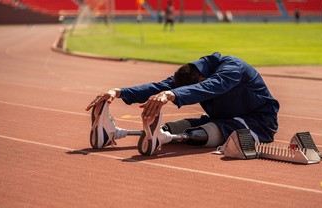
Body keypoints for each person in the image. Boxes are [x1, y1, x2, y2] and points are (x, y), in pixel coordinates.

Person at [86, 52, 280, 156]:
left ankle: (163, 138)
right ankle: (120, 133)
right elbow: (158, 87)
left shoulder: (232, 68)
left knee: (216, 127)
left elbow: (211, 87)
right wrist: (118, 92)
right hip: (224, 116)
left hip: (259, 123)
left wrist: (170, 95)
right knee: (189, 124)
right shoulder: (190, 74)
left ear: (202, 77)